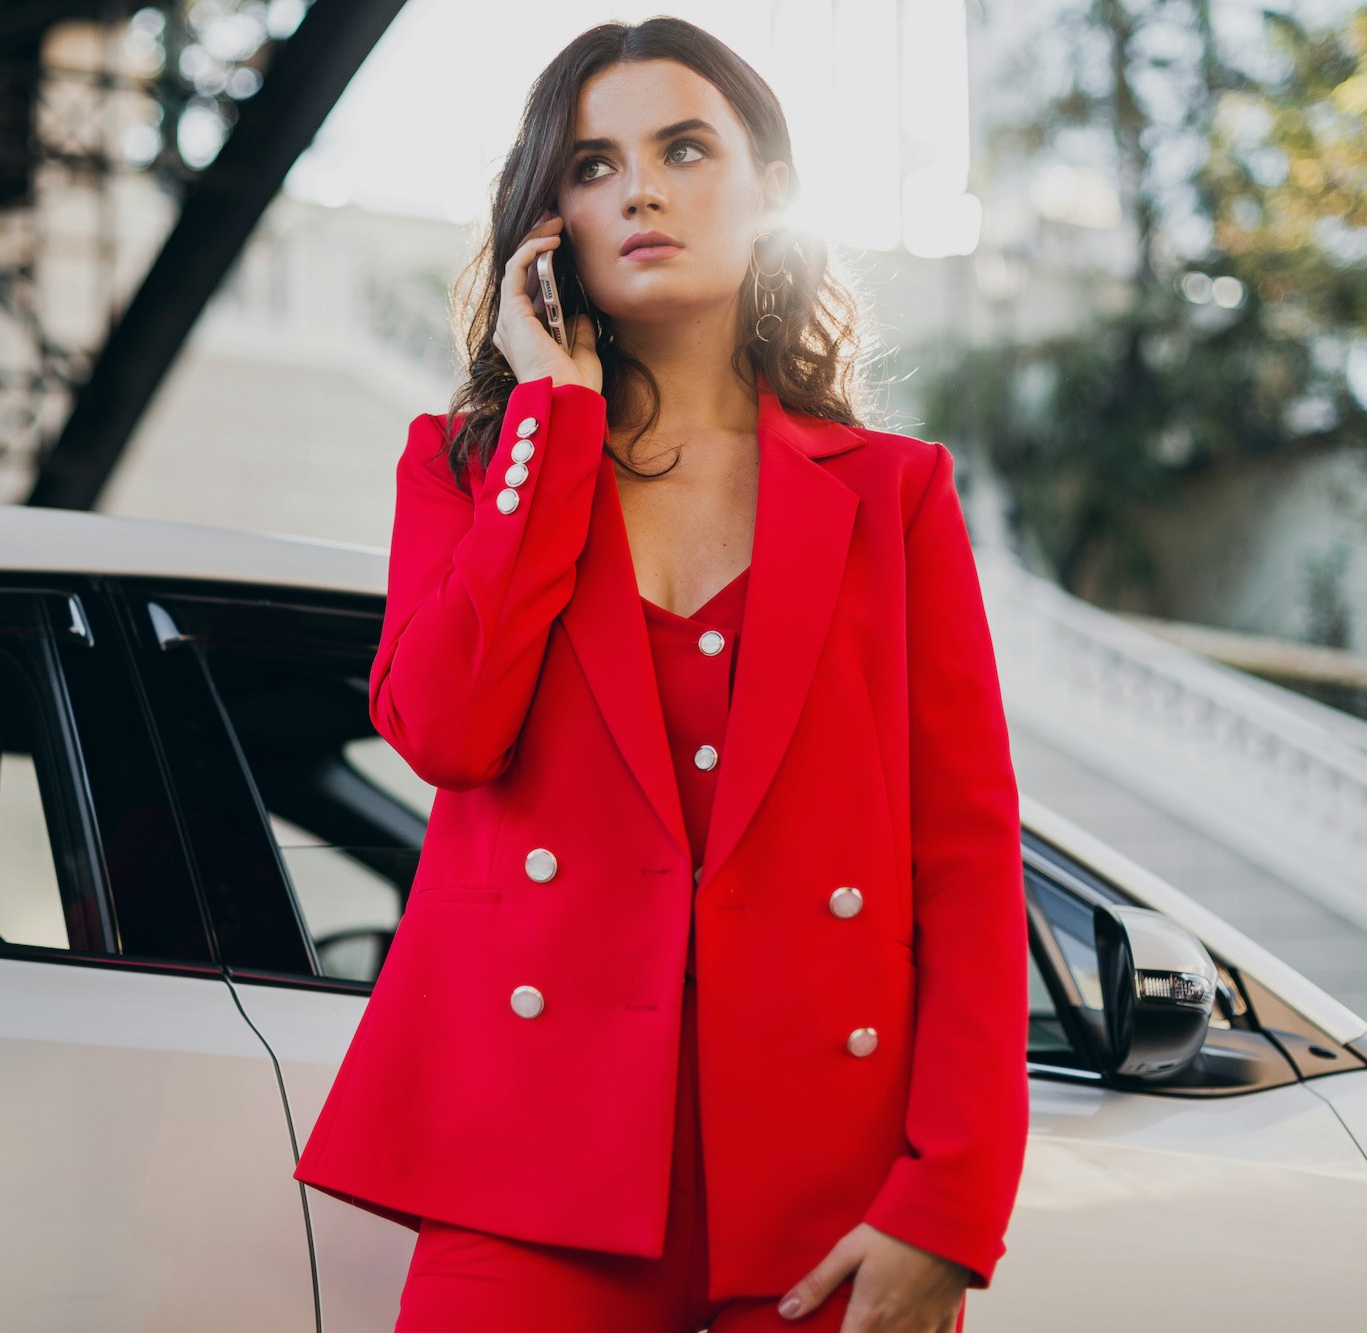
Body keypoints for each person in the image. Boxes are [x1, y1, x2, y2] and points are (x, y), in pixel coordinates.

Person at [292, 17, 1029, 1333]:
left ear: (768, 189)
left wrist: (951, 1204)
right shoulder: (468, 470)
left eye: (685, 149)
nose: (639, 189)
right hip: (527, 1169)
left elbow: (967, 863)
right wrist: (550, 421)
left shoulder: (894, 495)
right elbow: (447, 731)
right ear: (549, 222)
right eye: (592, 165)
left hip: (831, 1188)